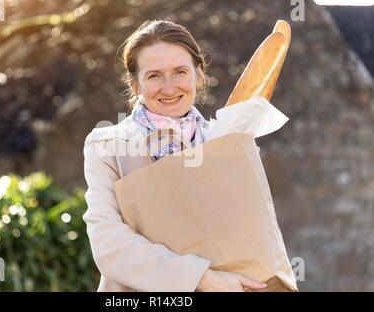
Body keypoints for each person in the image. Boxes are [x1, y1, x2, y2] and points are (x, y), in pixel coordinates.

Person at [83, 19, 267, 292]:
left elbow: (250, 231)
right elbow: (109, 244)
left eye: (180, 72)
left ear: (199, 74)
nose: (169, 88)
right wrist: (200, 279)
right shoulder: (108, 146)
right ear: (135, 84)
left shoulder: (226, 142)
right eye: (154, 75)